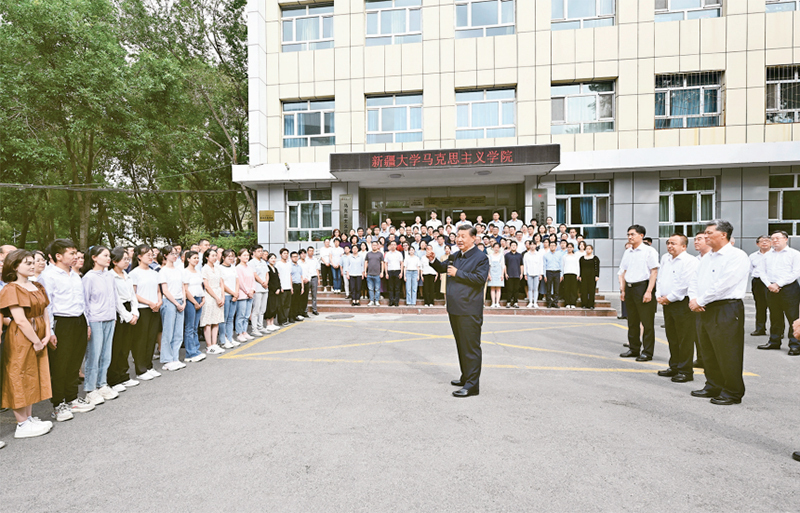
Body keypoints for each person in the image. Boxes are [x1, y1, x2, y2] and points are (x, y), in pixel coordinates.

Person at [688, 220, 750, 405]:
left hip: (726, 308)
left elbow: (724, 284)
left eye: (709, 233)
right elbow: (695, 280)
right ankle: (713, 385)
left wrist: (700, 300)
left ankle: (732, 391)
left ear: (723, 234)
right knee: (707, 349)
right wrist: (693, 299)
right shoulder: (706, 257)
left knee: (727, 351)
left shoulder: (737, 256)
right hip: (704, 307)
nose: (705, 236)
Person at [425, 225, 490, 398]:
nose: (459, 239)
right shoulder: (455, 255)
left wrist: (458, 273)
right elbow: (443, 268)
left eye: (463, 236)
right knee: (461, 345)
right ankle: (466, 377)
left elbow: (479, 279)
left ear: (473, 238)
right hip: (455, 308)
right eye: (457, 236)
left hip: (469, 310)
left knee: (471, 347)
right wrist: (433, 260)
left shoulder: (481, 258)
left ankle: (472, 386)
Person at [0, 249, 54, 438]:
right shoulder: (11, 288)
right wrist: (36, 341)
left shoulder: (37, 285)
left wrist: (47, 334)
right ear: (15, 266)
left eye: (33, 262)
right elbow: (20, 319)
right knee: (19, 374)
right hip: (22, 337)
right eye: (27, 263)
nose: (32, 266)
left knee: (32, 374)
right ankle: (21, 423)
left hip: (38, 333)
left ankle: (29, 418)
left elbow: (45, 311)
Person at [39, 239, 95, 418]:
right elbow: (47, 306)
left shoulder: (75, 275)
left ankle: (72, 398)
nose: (75, 257)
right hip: (61, 322)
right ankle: (58, 403)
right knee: (60, 364)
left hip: (78, 320)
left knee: (74, 361)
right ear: (58, 256)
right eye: (71, 253)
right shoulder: (48, 276)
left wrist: (85, 323)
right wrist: (51, 331)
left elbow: (82, 302)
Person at [655, 234, 699, 383]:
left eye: (673, 243)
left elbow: (684, 284)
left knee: (684, 338)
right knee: (672, 337)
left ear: (684, 246)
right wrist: (659, 295)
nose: (669, 246)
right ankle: (674, 366)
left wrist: (669, 298)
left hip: (682, 304)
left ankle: (685, 371)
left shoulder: (690, 261)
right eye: (668, 243)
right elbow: (660, 279)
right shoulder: (665, 259)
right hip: (667, 302)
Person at [81, 245, 119, 404]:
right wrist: (87, 323)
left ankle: (102, 383)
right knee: (94, 354)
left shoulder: (110, 276)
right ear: (94, 258)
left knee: (106, 354)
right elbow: (84, 302)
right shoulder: (88, 277)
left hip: (110, 317)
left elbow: (114, 297)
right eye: (105, 255)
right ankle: (90, 389)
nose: (108, 258)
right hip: (95, 319)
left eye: (109, 255)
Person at [618, 225, 660, 362]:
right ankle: (634, 348)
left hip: (643, 288)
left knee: (647, 322)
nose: (630, 237)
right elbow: (624, 271)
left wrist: (649, 291)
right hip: (630, 289)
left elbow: (654, 272)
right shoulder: (628, 252)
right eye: (628, 234)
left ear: (641, 235)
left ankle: (647, 352)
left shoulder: (649, 251)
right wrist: (623, 290)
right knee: (632, 321)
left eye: (632, 234)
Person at [758, 230, 800, 355]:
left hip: (789, 288)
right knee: (775, 316)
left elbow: (795, 272)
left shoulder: (794, 254)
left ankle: (795, 344)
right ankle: (774, 341)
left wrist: (778, 284)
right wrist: (769, 285)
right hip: (771, 288)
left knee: (793, 316)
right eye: (773, 238)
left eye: (778, 238)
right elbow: (761, 272)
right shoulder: (767, 255)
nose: (775, 240)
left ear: (786, 239)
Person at [107, 247, 141, 396]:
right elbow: (115, 300)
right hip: (119, 312)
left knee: (126, 346)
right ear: (114, 261)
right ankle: (114, 379)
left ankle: (124, 375)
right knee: (117, 346)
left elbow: (133, 296)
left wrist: (135, 312)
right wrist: (127, 316)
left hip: (130, 309)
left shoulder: (127, 275)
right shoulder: (110, 276)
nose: (127, 261)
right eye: (124, 259)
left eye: (128, 259)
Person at [129, 245, 163, 380]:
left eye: (151, 254)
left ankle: (149, 366)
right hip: (142, 309)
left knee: (151, 338)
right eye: (147, 254)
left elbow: (158, 291)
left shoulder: (155, 273)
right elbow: (133, 294)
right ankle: (140, 369)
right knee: (141, 340)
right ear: (139, 256)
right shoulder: (134, 273)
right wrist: (149, 303)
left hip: (155, 308)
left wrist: (159, 302)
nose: (151, 257)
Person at [157, 246, 186, 371]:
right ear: (165, 255)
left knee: (178, 332)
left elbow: (183, 287)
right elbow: (165, 290)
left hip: (180, 300)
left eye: (176, 254)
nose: (175, 256)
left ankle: (175, 357)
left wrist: (183, 301)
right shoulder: (163, 271)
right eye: (171, 254)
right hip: (169, 302)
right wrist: (176, 303)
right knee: (168, 332)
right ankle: (167, 359)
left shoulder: (179, 270)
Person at [181, 250, 206, 363]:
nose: (196, 260)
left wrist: (203, 298)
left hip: (199, 298)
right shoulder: (185, 272)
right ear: (188, 259)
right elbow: (185, 289)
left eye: (197, 258)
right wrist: (194, 302)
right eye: (194, 258)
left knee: (196, 327)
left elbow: (201, 286)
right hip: (190, 300)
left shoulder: (198, 271)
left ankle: (196, 349)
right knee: (189, 327)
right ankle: (190, 353)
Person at [199, 249, 225, 355]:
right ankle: (209, 345)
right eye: (212, 255)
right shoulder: (204, 269)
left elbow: (221, 283)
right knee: (208, 321)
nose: (214, 257)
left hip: (219, 293)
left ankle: (214, 344)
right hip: (210, 296)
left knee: (216, 320)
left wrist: (222, 297)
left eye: (215, 255)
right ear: (206, 257)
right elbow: (207, 286)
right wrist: (216, 297)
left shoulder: (218, 268)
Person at [749, 236, 771, 337]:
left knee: (774, 307)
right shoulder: (753, 256)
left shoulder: (774, 255)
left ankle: (777, 330)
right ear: (757, 244)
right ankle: (760, 328)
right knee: (760, 306)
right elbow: (749, 269)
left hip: (771, 283)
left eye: (767, 241)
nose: (764, 243)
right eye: (762, 241)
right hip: (758, 282)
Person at [218, 249, 240, 349]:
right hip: (226, 295)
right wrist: (233, 293)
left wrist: (236, 293)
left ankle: (230, 338)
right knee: (224, 318)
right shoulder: (219, 268)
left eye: (232, 256)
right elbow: (222, 284)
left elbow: (237, 280)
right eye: (228, 256)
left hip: (234, 295)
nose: (231, 258)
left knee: (231, 318)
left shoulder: (233, 267)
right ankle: (223, 339)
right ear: (223, 257)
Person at [234, 248, 256, 342]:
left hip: (250, 294)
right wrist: (248, 291)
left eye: (247, 255)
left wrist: (252, 290)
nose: (246, 257)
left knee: (247, 315)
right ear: (239, 257)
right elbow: (241, 282)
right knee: (241, 315)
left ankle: (244, 331)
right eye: (244, 255)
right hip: (242, 294)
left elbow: (253, 281)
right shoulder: (238, 268)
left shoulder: (250, 268)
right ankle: (239, 333)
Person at [248, 245, 270, 335]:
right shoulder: (251, 262)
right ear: (253, 252)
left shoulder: (263, 262)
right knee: (256, 309)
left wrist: (266, 282)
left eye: (261, 251)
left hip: (265, 288)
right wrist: (262, 282)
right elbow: (254, 274)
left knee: (262, 309)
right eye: (258, 251)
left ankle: (261, 326)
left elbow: (267, 274)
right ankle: (254, 329)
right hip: (257, 288)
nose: (260, 252)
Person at [523, 239, 544, 309]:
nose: (532, 246)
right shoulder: (526, 255)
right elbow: (525, 264)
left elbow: (541, 264)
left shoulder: (539, 254)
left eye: (533, 244)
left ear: (536, 245)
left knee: (535, 288)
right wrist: (525, 274)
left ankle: (535, 302)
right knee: (530, 288)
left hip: (537, 273)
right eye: (531, 244)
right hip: (529, 273)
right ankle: (530, 302)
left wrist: (541, 274)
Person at [578, 244, 600, 309]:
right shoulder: (582, 258)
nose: (588, 250)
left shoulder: (595, 258)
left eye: (589, 249)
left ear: (592, 250)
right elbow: (580, 268)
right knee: (584, 290)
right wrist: (580, 276)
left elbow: (597, 267)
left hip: (592, 275)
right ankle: (584, 304)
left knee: (591, 290)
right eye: (587, 249)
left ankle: (591, 305)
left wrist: (597, 275)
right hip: (584, 275)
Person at [543, 240, 563, 308]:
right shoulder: (546, 255)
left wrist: (561, 275)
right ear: (549, 247)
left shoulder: (559, 255)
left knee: (556, 289)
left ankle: (555, 302)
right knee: (548, 288)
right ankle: (549, 302)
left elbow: (561, 265)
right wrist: (544, 275)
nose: (552, 247)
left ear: (556, 247)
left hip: (557, 272)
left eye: (553, 246)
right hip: (549, 272)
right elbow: (544, 266)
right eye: (551, 246)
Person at [503, 241, 523, 308]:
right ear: (510, 246)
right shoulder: (507, 255)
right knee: (509, 289)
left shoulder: (519, 255)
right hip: (509, 274)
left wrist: (521, 273)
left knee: (516, 289)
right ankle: (508, 302)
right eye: (512, 245)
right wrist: (505, 273)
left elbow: (521, 265)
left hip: (517, 274)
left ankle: (515, 302)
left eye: (515, 245)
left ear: (516, 247)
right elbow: (505, 265)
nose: (513, 246)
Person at [275, 249, 293, 325]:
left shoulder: (289, 264)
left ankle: (285, 319)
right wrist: (280, 287)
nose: (286, 255)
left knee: (287, 305)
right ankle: (281, 320)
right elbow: (277, 276)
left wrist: (291, 287)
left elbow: (290, 275)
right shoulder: (278, 264)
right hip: (282, 287)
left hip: (288, 286)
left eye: (287, 253)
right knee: (281, 305)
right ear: (280, 254)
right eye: (284, 253)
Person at [264, 253, 281, 331]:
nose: (273, 260)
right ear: (268, 259)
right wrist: (274, 289)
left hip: (277, 291)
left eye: (274, 258)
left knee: (275, 306)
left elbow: (277, 280)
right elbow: (269, 281)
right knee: (270, 307)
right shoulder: (267, 268)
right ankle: (268, 324)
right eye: (271, 258)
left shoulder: (275, 268)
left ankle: (272, 323)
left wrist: (279, 288)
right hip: (270, 291)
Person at [364, 241, 384, 307]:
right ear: (371, 246)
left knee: (377, 289)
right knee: (370, 288)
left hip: (377, 274)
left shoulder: (380, 254)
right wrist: (365, 271)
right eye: (373, 245)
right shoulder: (368, 254)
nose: (374, 246)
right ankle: (371, 300)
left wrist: (382, 272)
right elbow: (366, 263)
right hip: (369, 273)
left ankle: (377, 301)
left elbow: (382, 263)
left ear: (378, 246)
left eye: (375, 245)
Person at [384, 241, 404, 307]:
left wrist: (401, 272)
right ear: (390, 246)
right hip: (390, 271)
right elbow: (385, 264)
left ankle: (396, 302)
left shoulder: (399, 254)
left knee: (397, 288)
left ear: (396, 246)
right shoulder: (387, 254)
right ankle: (391, 301)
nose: (393, 246)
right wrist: (386, 273)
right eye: (391, 245)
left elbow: (401, 263)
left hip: (397, 271)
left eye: (394, 245)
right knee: (390, 287)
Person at [561, 243, 580, 309]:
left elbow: (578, 265)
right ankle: (567, 303)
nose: (569, 248)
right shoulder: (564, 256)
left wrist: (578, 274)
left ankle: (573, 303)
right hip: (566, 273)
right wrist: (562, 274)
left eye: (570, 247)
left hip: (574, 273)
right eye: (568, 247)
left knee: (573, 289)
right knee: (566, 289)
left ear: (573, 248)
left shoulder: (575, 256)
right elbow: (563, 266)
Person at [487, 243, 505, 308]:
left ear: (499, 248)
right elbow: (488, 266)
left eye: (497, 247)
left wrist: (502, 274)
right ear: (493, 248)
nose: (496, 249)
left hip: (499, 273)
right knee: (492, 288)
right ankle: (493, 302)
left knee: (498, 288)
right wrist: (488, 274)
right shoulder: (490, 256)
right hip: (492, 273)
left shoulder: (501, 255)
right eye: (495, 247)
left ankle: (497, 302)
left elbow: (503, 266)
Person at [303, 246, 320, 316]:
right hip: (307, 278)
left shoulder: (315, 260)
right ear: (307, 252)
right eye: (310, 251)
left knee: (314, 295)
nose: (311, 252)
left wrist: (318, 279)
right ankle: (305, 310)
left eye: (312, 251)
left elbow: (317, 269)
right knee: (305, 295)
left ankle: (314, 309)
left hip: (314, 277)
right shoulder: (305, 260)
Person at [289, 251, 305, 322]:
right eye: (294, 256)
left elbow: (301, 277)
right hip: (293, 285)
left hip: (299, 285)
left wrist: (302, 287)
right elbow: (290, 277)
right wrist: (291, 287)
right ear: (291, 258)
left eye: (296, 256)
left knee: (297, 302)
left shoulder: (299, 267)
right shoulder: (290, 266)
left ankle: (296, 315)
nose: (295, 258)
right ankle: (291, 317)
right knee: (292, 302)